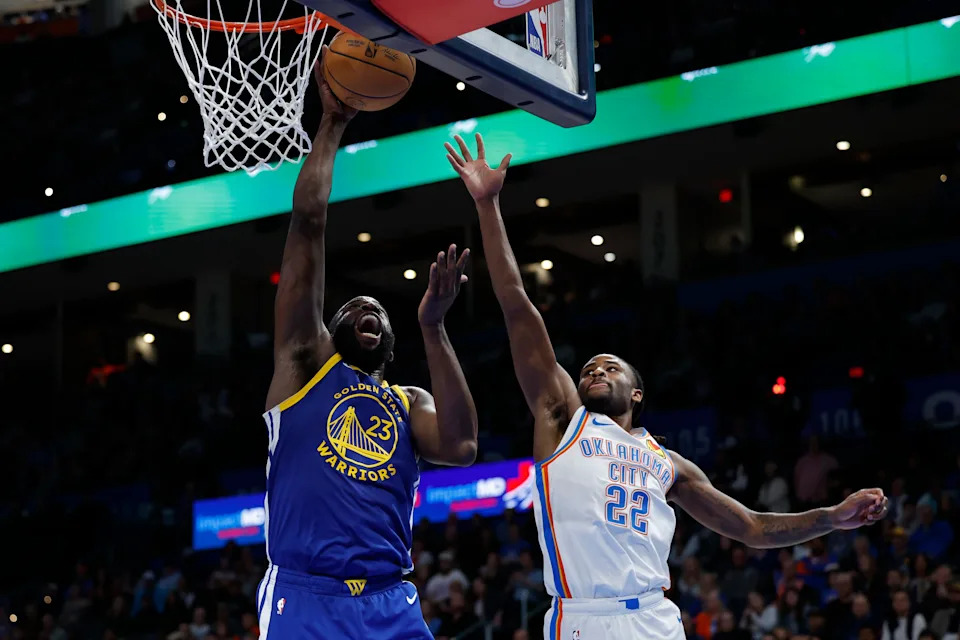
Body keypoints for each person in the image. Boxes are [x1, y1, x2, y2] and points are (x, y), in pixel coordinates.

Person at [445, 132, 890, 640]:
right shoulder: (560, 418)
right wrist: (488, 205)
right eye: (590, 366)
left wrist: (831, 518)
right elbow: (517, 303)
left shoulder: (669, 463)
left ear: (637, 393)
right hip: (580, 617)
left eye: (611, 368)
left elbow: (751, 527)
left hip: (655, 618)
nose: (595, 372)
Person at [257, 53, 479, 639]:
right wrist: (332, 125)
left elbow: (461, 445)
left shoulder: (407, 401)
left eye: (379, 310)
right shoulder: (305, 365)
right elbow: (307, 223)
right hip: (306, 596)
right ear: (327, 333)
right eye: (353, 309)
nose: (368, 311)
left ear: (390, 341)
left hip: (391, 601)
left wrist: (434, 327)